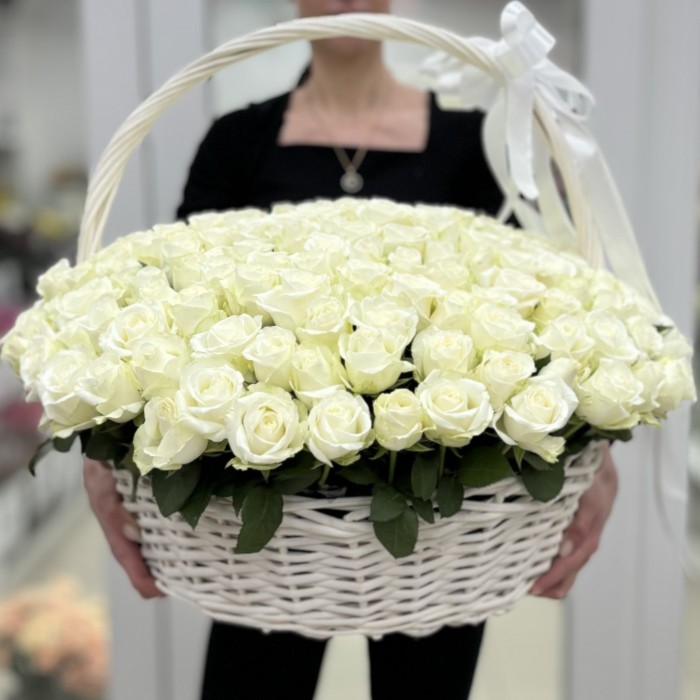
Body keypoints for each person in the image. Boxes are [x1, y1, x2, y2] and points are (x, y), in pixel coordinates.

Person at [83, 1, 619, 698]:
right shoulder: (237, 140)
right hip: (260, 515)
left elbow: (536, 311)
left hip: (440, 515)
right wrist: (103, 448)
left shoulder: (470, 143)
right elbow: (165, 307)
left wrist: (591, 447)